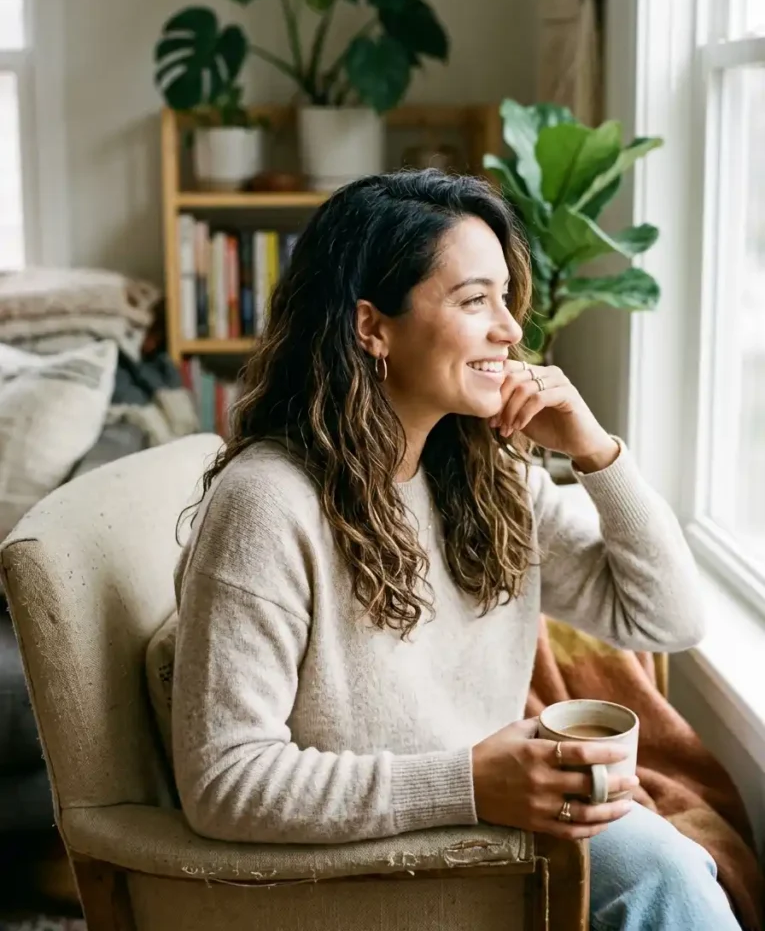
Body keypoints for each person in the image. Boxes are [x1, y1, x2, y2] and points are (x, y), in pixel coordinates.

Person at [172, 170, 739, 930]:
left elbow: (665, 619)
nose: (508, 330)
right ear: (372, 328)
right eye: (474, 301)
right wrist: (467, 784)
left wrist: (596, 453)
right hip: (356, 860)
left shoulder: (489, 477)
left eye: (505, 298)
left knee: (668, 872)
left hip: (494, 819)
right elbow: (223, 781)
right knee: (662, 876)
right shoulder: (267, 504)